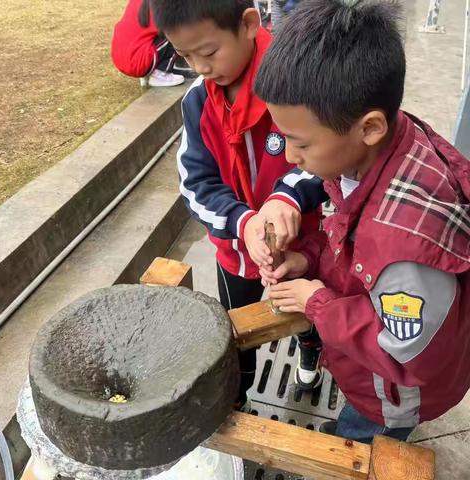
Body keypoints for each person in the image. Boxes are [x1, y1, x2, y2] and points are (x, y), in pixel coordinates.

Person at [252, 0, 470, 444]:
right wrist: (307, 259)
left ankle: (357, 440)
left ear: (369, 127)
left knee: (363, 436)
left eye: (300, 144)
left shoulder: (409, 245)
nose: (290, 159)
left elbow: (406, 352)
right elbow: (352, 249)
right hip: (375, 364)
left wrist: (319, 305)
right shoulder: (378, 152)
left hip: (392, 395)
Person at [150, 0, 328, 409]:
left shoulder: (300, 82)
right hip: (237, 251)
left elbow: (330, 155)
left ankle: (310, 351)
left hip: (301, 247)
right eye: (185, 55)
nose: (200, 67)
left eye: (209, 52)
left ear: (249, 24)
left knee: (305, 309)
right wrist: (242, 222)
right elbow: (196, 183)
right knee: (237, 330)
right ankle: (239, 392)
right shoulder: (198, 102)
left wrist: (289, 195)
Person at [111, 0, 185, 87]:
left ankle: (149, 72)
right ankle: (161, 74)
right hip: (138, 60)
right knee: (175, 30)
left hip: (121, 56)